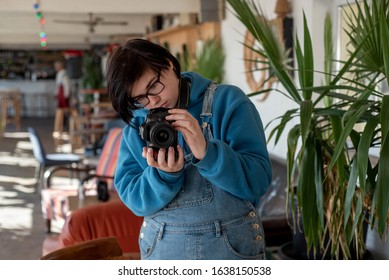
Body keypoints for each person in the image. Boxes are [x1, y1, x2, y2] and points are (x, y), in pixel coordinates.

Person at [106, 38, 272, 260]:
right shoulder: (137, 129)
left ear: (169, 63)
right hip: (164, 254)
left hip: (230, 253)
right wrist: (163, 176)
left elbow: (258, 182)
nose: (153, 101)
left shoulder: (228, 102)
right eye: (140, 99)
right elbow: (135, 203)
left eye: (154, 85)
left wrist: (208, 153)